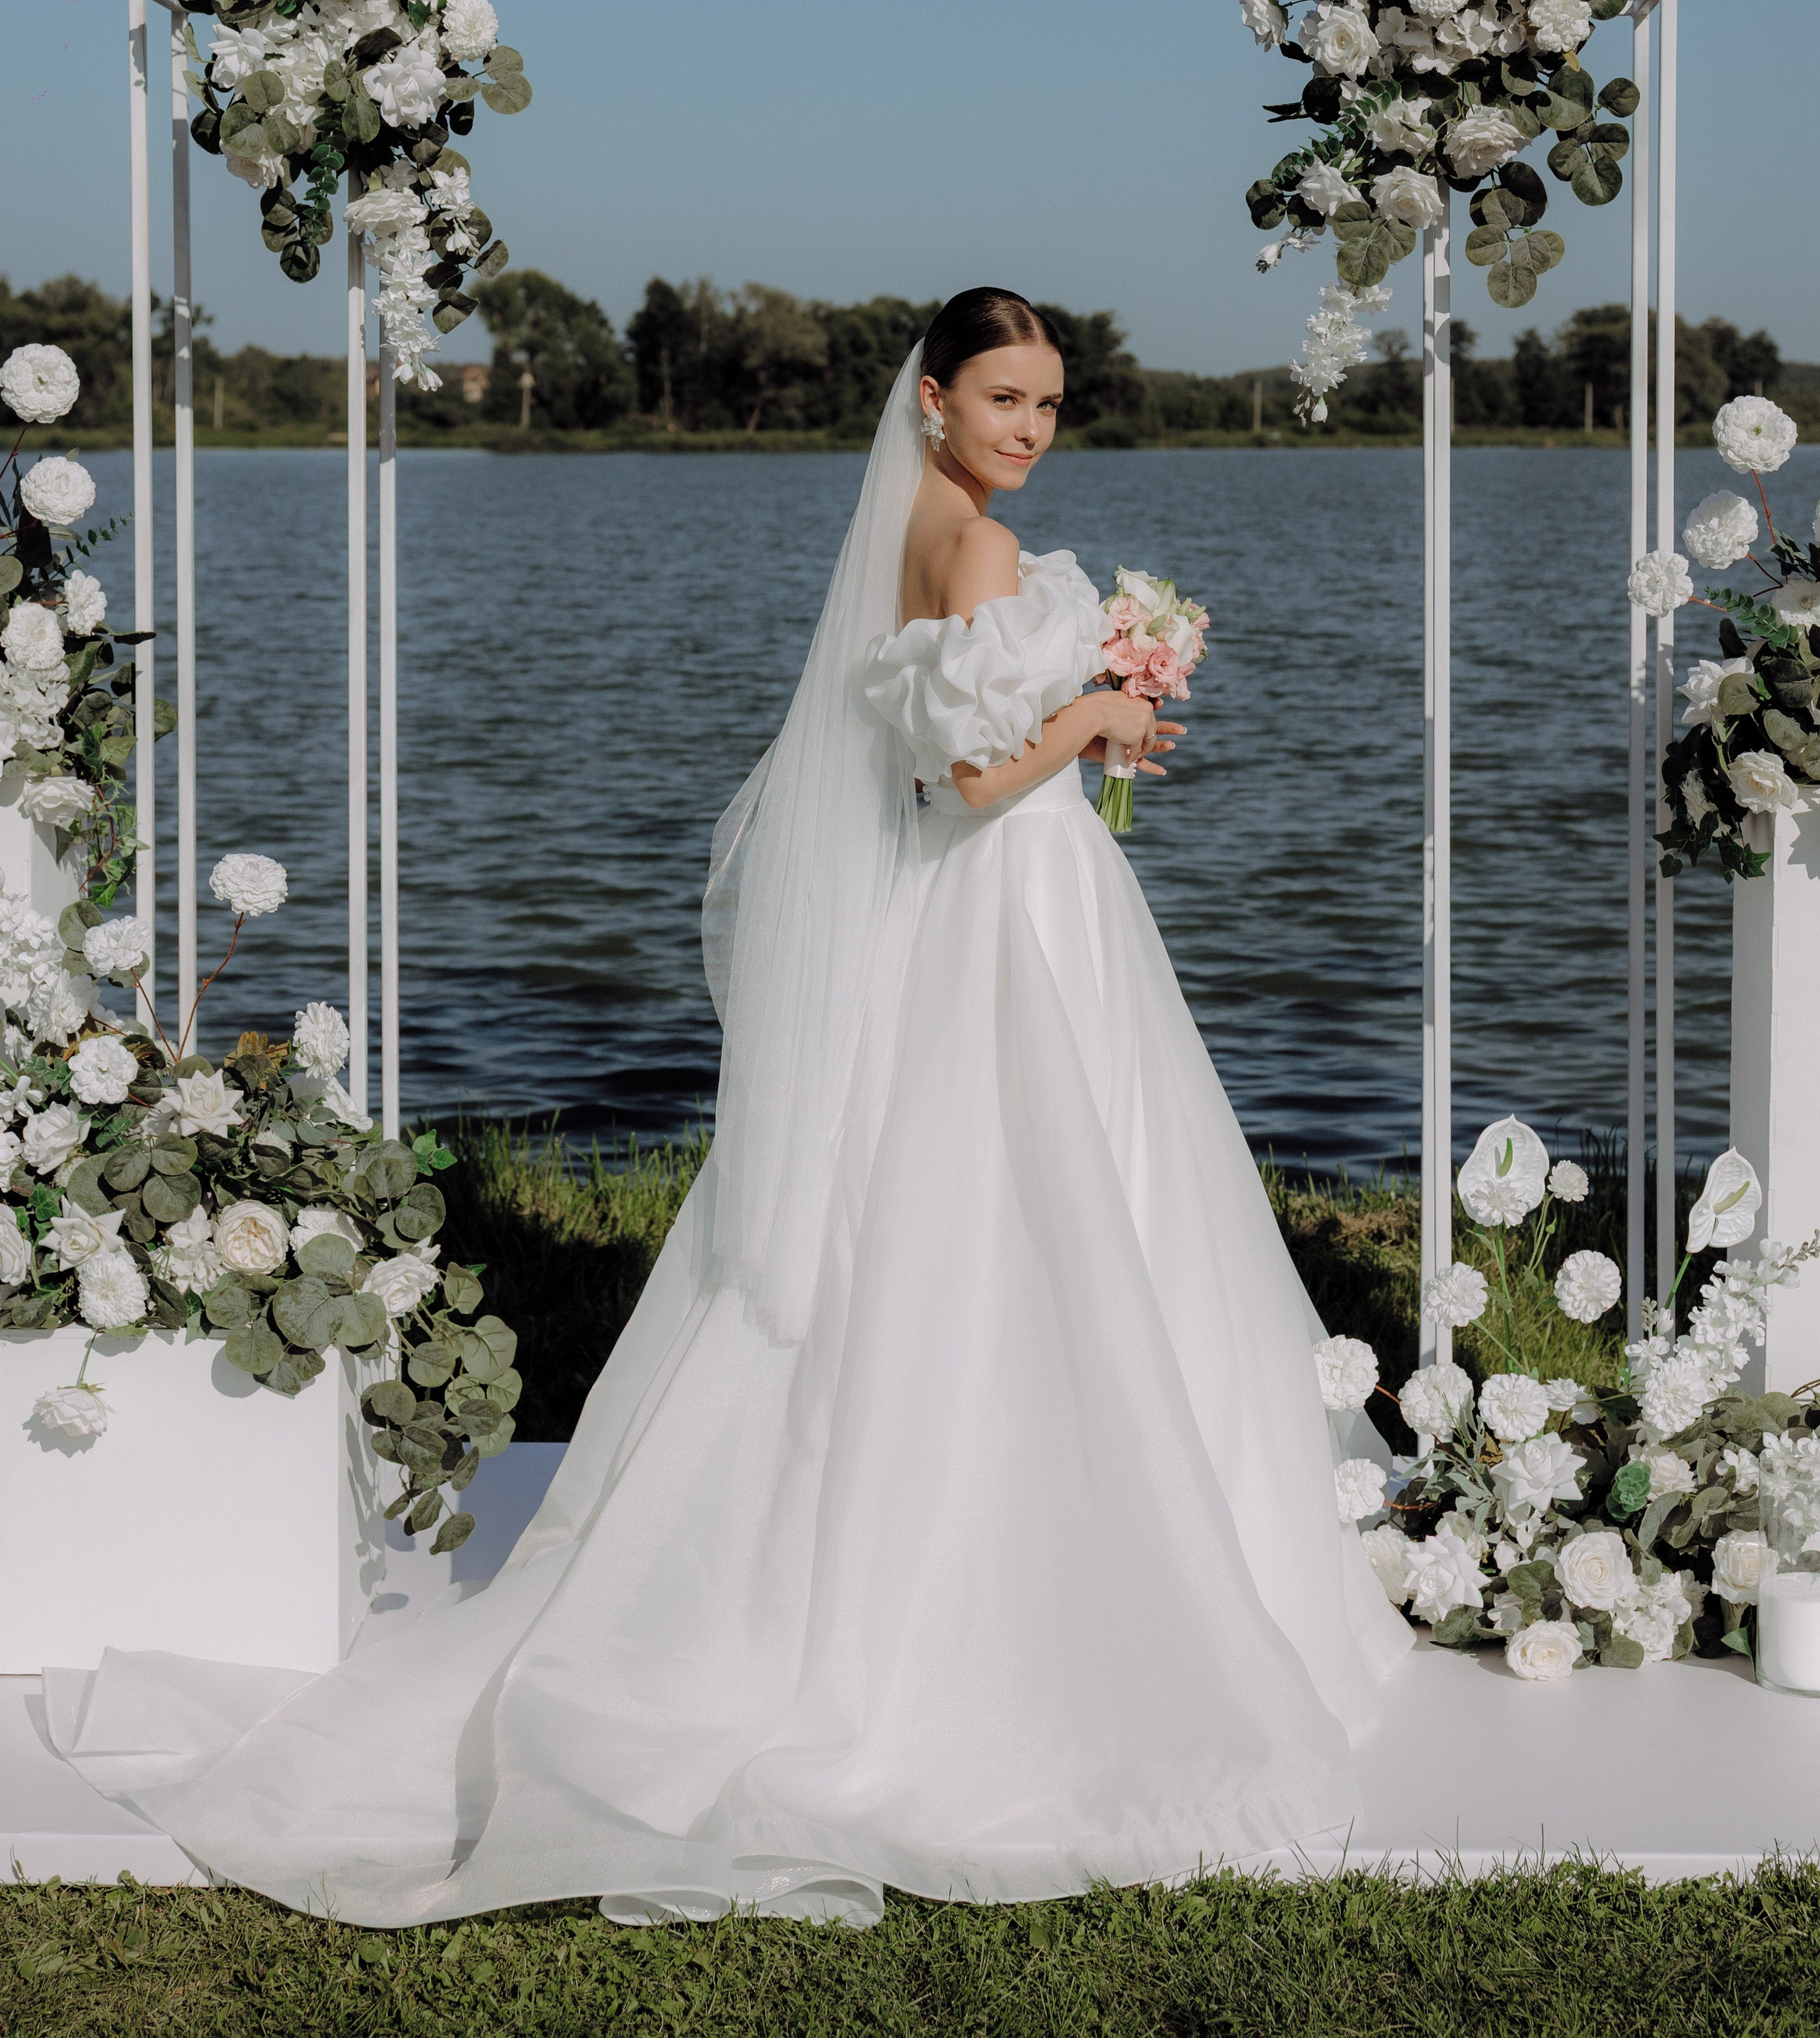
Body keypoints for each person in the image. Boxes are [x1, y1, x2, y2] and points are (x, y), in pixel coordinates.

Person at [56, 287, 1406, 1925]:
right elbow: (970, 784)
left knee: (948, 1225)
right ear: (930, 396)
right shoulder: (971, 546)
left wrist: (1075, 712)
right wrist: (1102, 715)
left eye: (1050, 399)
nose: (1031, 427)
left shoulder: (920, 526)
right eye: (1003, 396)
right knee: (1046, 1216)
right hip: (1008, 915)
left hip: (976, 921)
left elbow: (925, 762)